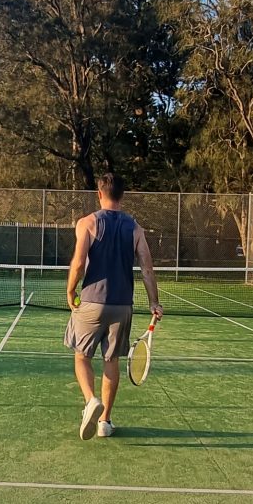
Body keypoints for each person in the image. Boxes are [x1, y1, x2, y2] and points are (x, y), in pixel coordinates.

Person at [65, 173, 162, 441]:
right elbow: (147, 267)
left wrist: (71, 291)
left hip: (91, 302)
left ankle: (90, 401)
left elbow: (78, 262)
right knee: (111, 360)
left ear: (99, 193)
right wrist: (154, 301)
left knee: (82, 356)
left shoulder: (87, 223)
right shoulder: (135, 228)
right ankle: (105, 422)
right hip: (122, 305)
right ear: (122, 195)